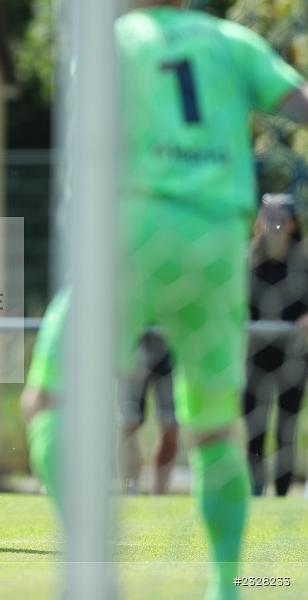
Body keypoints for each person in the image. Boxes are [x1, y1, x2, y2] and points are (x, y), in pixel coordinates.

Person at [20, 3, 308, 599]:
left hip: (136, 223)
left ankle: (93, 569)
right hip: (220, 239)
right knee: (214, 429)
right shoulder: (233, 41)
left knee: (49, 397)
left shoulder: (115, 39)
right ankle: (226, 588)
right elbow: (298, 103)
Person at [242, 194, 308, 497]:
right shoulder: (249, 260)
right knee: (253, 428)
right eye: (268, 216)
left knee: (286, 427)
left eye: (281, 216)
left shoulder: (303, 262)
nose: (274, 223)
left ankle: (281, 493)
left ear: (294, 222)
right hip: (256, 356)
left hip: (293, 356)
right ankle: (255, 491)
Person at [118, 332, 178, 495]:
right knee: (128, 423)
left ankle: (159, 493)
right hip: (132, 344)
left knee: (171, 425)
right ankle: (129, 489)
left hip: (171, 346)